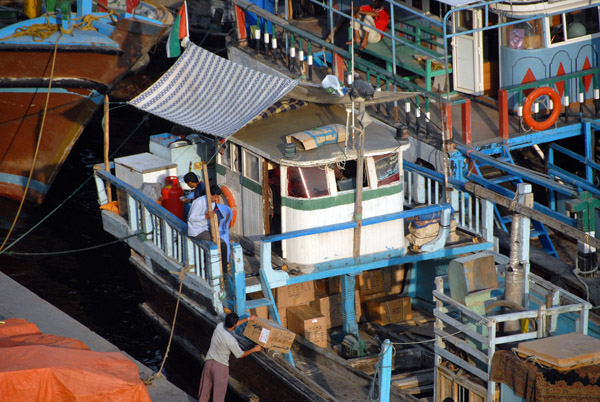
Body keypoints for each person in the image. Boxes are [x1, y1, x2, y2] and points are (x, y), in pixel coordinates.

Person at [198, 313, 262, 402]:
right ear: (234, 325)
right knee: (218, 396)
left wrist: (248, 319)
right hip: (220, 367)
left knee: (204, 392)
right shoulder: (231, 340)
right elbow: (240, 355)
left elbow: (233, 324)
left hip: (208, 363)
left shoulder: (219, 326)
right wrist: (254, 349)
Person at [187, 184, 228, 269]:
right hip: (197, 230)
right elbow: (191, 218)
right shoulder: (199, 202)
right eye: (215, 197)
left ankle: (223, 267)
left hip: (206, 228)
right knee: (220, 243)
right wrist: (205, 217)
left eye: (217, 197)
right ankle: (215, 268)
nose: (216, 199)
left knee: (223, 244)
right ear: (210, 195)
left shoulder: (213, 203)